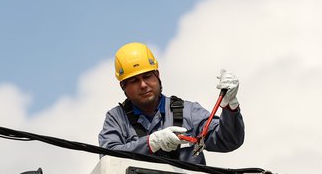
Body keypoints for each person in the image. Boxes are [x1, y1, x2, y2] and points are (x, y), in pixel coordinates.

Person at [98, 42, 244, 165]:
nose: (143, 85)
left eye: (147, 76)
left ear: (157, 75)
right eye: (134, 81)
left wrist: (230, 107)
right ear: (123, 86)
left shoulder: (188, 112)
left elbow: (229, 140)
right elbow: (108, 159)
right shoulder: (117, 119)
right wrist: (151, 143)